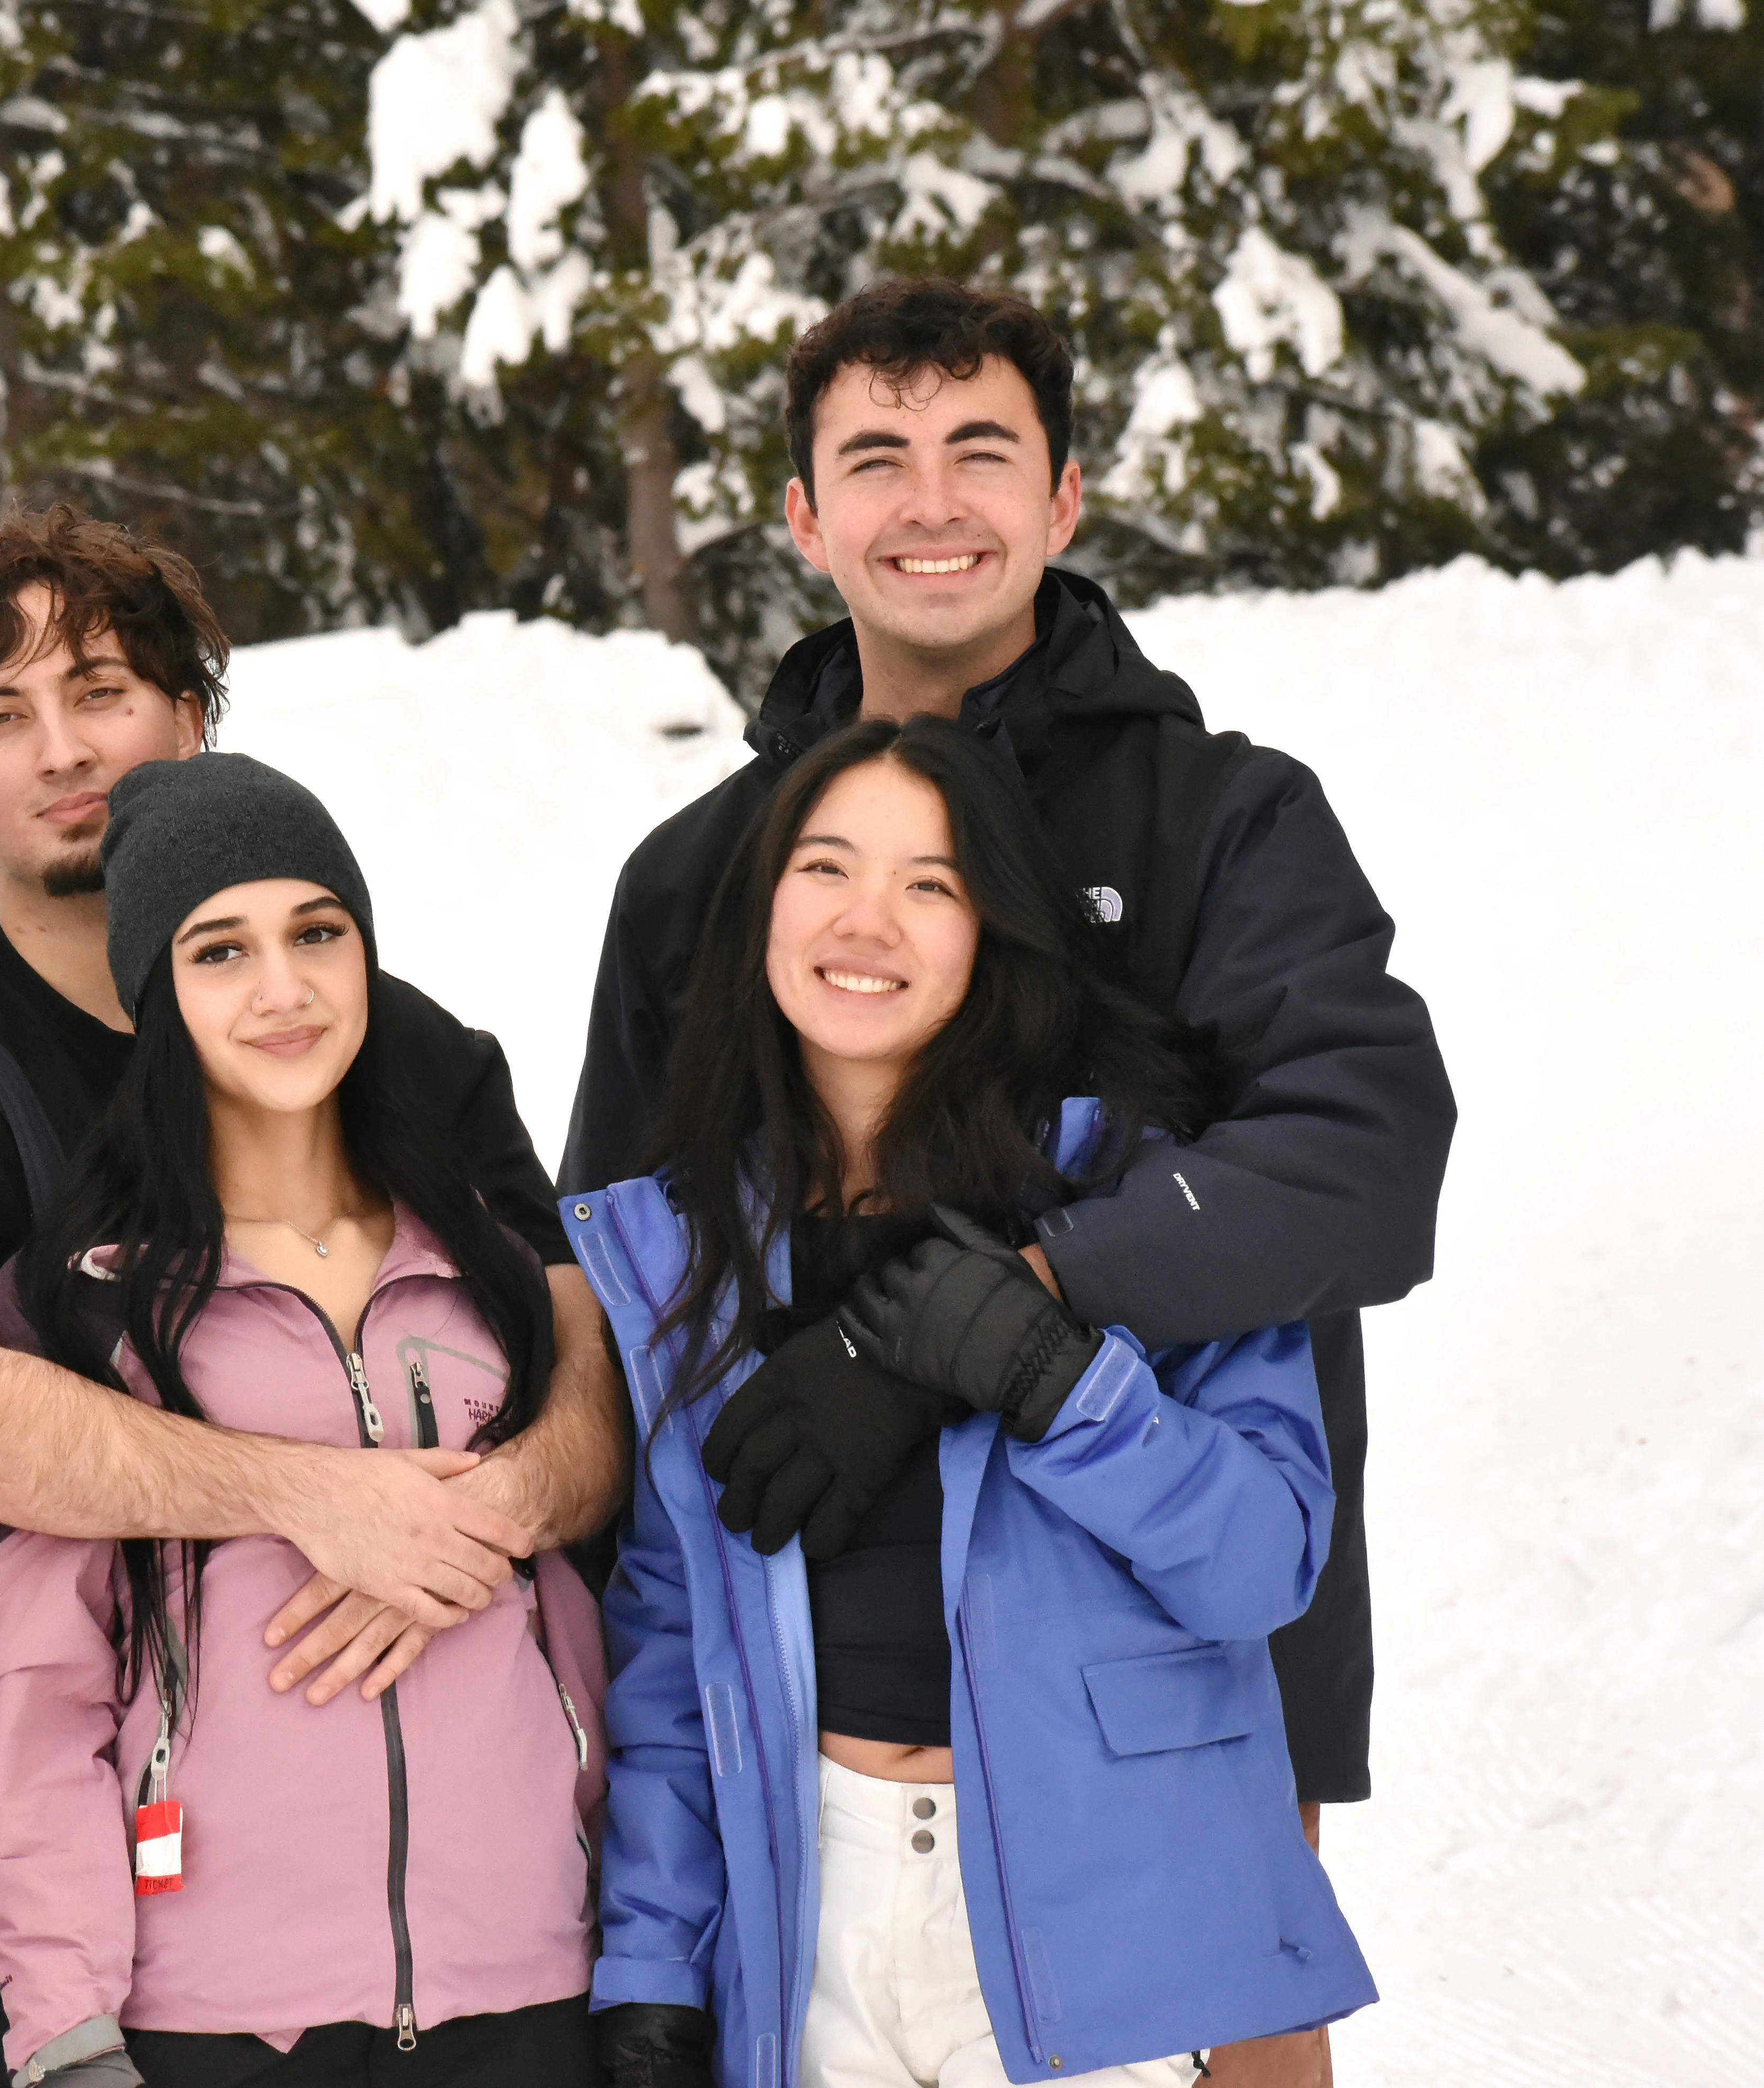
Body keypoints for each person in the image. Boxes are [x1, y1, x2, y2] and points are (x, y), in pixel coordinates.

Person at [559, 282, 1451, 2087]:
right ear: (802, 516)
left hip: (1178, 1652)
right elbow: (618, 1284)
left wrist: (989, 1317)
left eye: (981, 450)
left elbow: (1362, 1157)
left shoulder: (1218, 818)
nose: (930, 502)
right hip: (810, 1712)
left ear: (1063, 498)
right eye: (873, 459)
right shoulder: (702, 878)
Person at [0, 508, 627, 2088]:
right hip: (14, 1895)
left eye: (100, 691)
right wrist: (320, 1500)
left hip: (466, 1953)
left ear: (190, 716)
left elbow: (583, 1366)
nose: (59, 750)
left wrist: (468, 1522)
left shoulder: (402, 1050)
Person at [577, 717, 1374, 2088]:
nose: (865, 920)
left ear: (992, 928)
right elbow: (666, 1646)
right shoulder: (679, 1247)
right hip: (807, 1914)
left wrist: (1055, 1381)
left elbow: (1261, 1563)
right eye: (825, 868)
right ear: (762, 908)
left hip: (1088, 1908)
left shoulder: (1139, 1201)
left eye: (929, 884)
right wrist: (652, 1964)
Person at [0, 754, 606, 2088]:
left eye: (316, 933)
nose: (282, 988)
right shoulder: (96, 1304)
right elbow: (37, 1695)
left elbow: (594, 1619)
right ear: (155, 997)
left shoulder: (484, 1274)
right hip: (222, 2020)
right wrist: (66, 2028)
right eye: (219, 952)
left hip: (528, 1987)